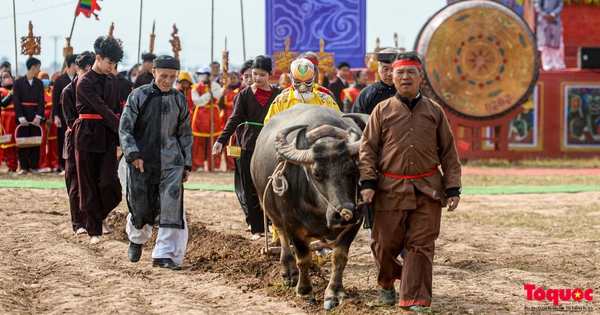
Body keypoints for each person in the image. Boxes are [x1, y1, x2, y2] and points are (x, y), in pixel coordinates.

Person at [359, 51, 462, 312]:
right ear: (391, 77)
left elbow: (449, 151)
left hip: (427, 189)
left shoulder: (434, 112)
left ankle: (415, 298)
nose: (405, 77)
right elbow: (367, 149)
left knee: (421, 246)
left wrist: (452, 188)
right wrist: (368, 183)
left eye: (411, 72)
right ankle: (386, 280)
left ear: (421, 78)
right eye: (400, 72)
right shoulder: (381, 111)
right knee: (383, 245)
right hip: (389, 190)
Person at [120, 55, 193, 270]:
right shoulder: (138, 96)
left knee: (171, 207)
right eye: (163, 76)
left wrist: (186, 164)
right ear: (154, 73)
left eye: (172, 77)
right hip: (142, 162)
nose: (168, 81)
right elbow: (125, 128)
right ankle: (136, 238)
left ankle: (165, 255)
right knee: (141, 206)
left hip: (172, 162)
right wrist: (133, 154)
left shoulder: (180, 100)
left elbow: (185, 134)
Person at [212, 55, 281, 241]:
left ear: (270, 75)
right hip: (247, 144)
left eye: (262, 75)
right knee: (250, 186)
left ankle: (274, 225)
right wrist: (221, 140)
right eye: (255, 74)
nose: (257, 78)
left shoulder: (279, 96)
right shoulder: (243, 95)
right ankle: (257, 228)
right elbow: (234, 119)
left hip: (271, 146)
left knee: (272, 186)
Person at [74, 35, 123, 245]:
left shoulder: (113, 79)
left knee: (109, 182)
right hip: (87, 135)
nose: (112, 67)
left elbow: (116, 108)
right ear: (98, 57)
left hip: (109, 136)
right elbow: (102, 108)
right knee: (88, 184)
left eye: (115, 64)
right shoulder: (83, 82)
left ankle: (98, 215)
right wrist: (123, 129)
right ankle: (94, 230)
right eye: (109, 62)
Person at [61, 51, 95, 235]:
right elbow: (70, 121)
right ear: (77, 69)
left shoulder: (95, 88)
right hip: (74, 139)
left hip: (92, 140)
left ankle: (92, 219)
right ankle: (78, 223)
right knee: (74, 182)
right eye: (84, 70)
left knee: (90, 181)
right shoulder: (68, 91)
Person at [264, 58, 338, 124]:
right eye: (298, 82)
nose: (302, 87)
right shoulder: (280, 101)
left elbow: (339, 122)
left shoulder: (326, 100)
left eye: (308, 82)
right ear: (292, 79)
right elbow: (269, 126)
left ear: (313, 78)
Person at [13, 57, 45, 175]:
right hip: (23, 116)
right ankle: (24, 168)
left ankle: (35, 168)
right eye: (38, 67)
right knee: (23, 142)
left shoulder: (39, 83)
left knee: (35, 142)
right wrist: (21, 117)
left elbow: (42, 101)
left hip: (35, 117)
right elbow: (16, 101)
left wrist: (39, 116)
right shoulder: (18, 83)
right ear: (33, 67)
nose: (39, 70)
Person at [192, 66, 222, 172]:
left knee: (214, 141)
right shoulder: (195, 87)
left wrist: (212, 89)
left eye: (203, 74)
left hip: (213, 114)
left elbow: (218, 95)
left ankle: (215, 165)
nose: (201, 76)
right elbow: (197, 101)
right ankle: (198, 165)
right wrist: (208, 95)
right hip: (200, 114)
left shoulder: (215, 85)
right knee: (198, 142)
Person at [52, 54, 78, 174]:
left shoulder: (80, 78)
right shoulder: (60, 80)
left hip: (77, 113)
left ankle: (75, 163)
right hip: (62, 114)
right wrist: (55, 115)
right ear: (72, 64)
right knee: (62, 139)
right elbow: (55, 99)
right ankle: (62, 165)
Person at [217, 71, 242, 171]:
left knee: (235, 142)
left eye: (233, 78)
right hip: (224, 119)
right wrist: (222, 95)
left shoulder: (240, 91)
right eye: (229, 78)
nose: (231, 80)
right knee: (225, 142)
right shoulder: (224, 91)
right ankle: (226, 165)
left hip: (236, 118)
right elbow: (219, 105)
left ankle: (233, 166)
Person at [37, 71, 59, 173]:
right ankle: (42, 164)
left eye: (46, 77)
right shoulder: (38, 91)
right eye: (42, 78)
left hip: (53, 118)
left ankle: (54, 163)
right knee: (42, 143)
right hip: (43, 119)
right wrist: (44, 119)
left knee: (53, 142)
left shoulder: (53, 90)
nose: (45, 80)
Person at [535, 0, 566, 71]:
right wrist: (545, 15)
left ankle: (558, 63)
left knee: (555, 42)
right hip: (543, 20)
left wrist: (553, 14)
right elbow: (538, 6)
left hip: (555, 19)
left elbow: (560, 5)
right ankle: (547, 64)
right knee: (545, 43)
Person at [0, 70, 18, 172]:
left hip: (16, 116)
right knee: (8, 142)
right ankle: (11, 165)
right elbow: (3, 104)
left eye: (7, 76)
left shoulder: (17, 88)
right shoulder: (1, 90)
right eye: (3, 77)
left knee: (18, 141)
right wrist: (11, 94)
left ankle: (20, 164)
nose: (5, 79)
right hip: (6, 118)